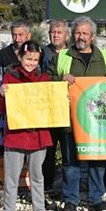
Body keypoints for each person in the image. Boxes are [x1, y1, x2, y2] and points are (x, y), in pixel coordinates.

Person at [47, 16, 106, 211]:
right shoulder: (62, 56)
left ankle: (96, 198)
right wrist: (60, 78)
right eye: (78, 33)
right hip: (70, 119)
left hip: (97, 121)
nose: (81, 37)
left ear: (93, 36)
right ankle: (71, 199)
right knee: (71, 161)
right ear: (72, 35)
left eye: (85, 33)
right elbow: (46, 78)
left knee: (97, 160)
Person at [0, 40, 56, 211]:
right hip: (16, 135)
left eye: (35, 60)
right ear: (20, 57)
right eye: (28, 58)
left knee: (38, 177)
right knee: (12, 178)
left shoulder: (45, 78)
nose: (31, 63)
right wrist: (1, 94)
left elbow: (51, 106)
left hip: (39, 136)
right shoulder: (9, 77)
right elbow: (2, 110)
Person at [40, 20, 69, 191]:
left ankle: (68, 185)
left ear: (66, 35)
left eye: (59, 32)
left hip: (67, 108)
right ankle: (47, 184)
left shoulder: (73, 53)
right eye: (53, 32)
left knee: (67, 150)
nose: (55, 35)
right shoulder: (43, 53)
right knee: (48, 150)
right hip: (48, 109)